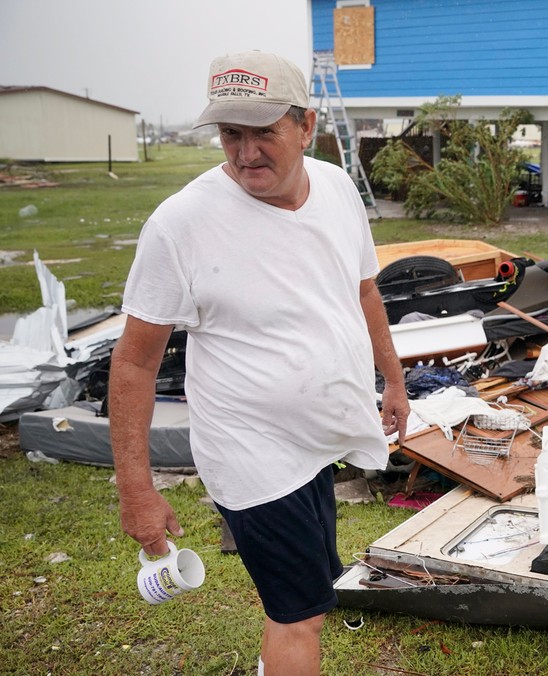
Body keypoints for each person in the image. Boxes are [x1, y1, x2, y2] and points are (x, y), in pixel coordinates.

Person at [109, 50, 409, 675]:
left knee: (309, 601)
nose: (245, 154)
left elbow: (362, 290)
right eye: (230, 134)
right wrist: (137, 490)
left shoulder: (334, 186)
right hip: (252, 452)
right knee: (295, 615)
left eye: (263, 132)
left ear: (306, 125)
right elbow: (136, 363)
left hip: (318, 440)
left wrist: (394, 378)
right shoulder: (181, 225)